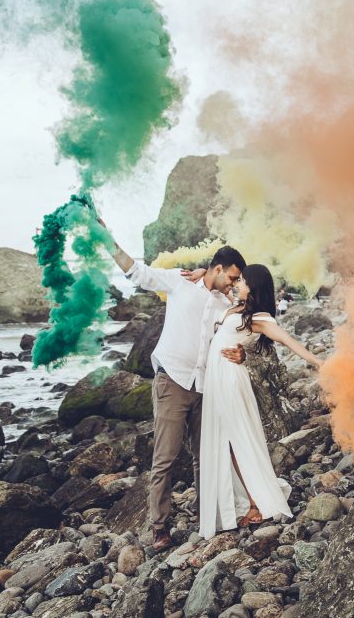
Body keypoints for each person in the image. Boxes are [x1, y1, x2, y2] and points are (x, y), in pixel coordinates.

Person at [99, 219, 247, 552]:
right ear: (218, 268)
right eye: (232, 277)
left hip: (204, 385)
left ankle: (204, 512)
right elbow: (138, 272)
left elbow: (244, 328)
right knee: (164, 458)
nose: (233, 284)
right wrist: (107, 240)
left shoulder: (226, 304)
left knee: (203, 454)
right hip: (173, 381)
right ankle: (160, 527)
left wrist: (241, 353)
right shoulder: (180, 282)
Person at [198, 263, 324, 539]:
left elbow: (288, 341)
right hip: (217, 379)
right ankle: (243, 501)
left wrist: (318, 361)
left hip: (231, 379)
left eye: (242, 281)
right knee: (226, 442)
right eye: (238, 280)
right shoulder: (236, 308)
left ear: (254, 287)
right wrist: (200, 273)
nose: (237, 285)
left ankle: (257, 501)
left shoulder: (258, 316)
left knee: (239, 438)